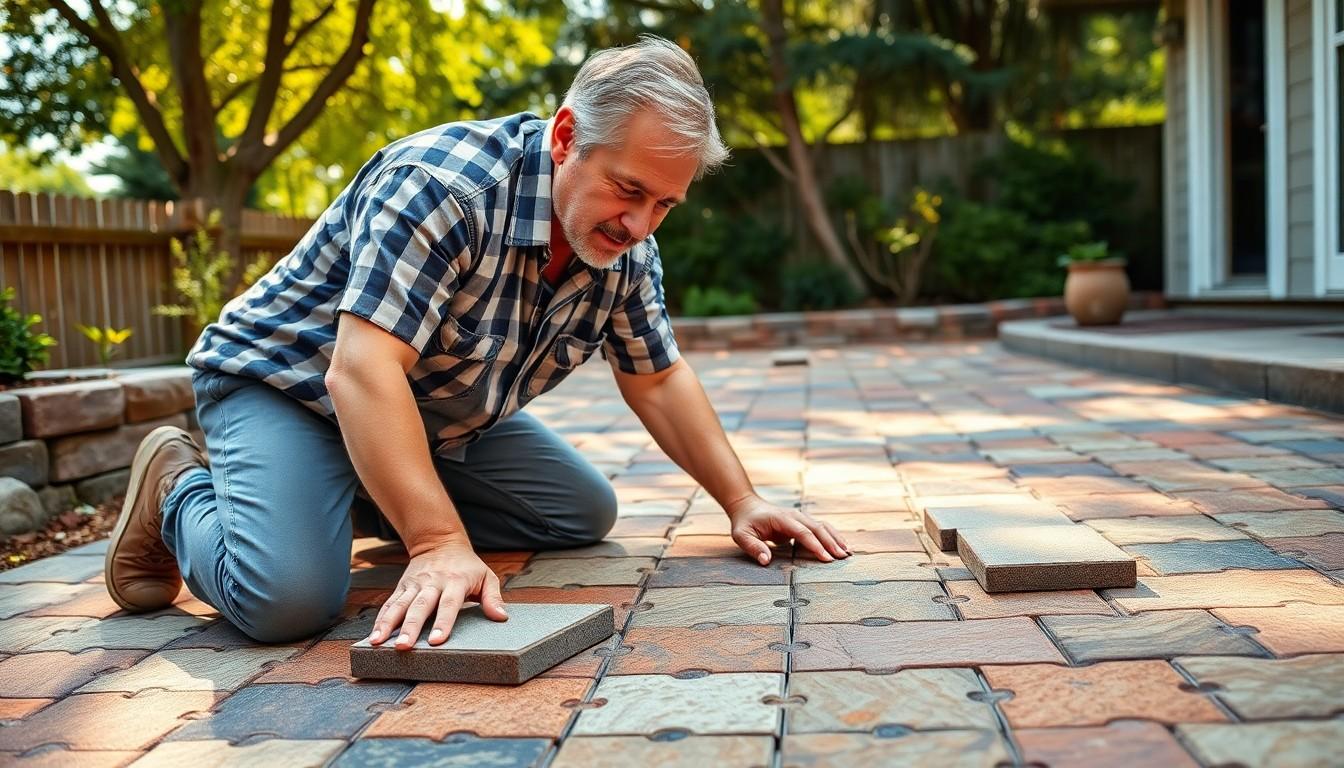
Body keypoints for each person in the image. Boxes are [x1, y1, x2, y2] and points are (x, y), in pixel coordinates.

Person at [104, 35, 850, 648]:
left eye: (666, 204)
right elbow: (361, 373)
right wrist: (435, 543)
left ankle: (349, 488)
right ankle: (177, 489)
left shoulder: (624, 249)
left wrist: (741, 499)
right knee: (288, 604)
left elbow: (655, 377)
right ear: (566, 138)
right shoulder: (442, 187)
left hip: (428, 414)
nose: (640, 224)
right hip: (285, 385)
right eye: (628, 190)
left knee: (579, 514)